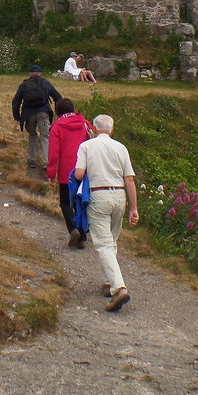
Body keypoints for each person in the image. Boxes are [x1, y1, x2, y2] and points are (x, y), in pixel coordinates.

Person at [74, 114, 139, 312]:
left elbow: (78, 174)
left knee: (103, 244)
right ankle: (107, 284)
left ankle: (119, 288)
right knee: (111, 241)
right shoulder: (121, 148)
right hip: (119, 195)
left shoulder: (86, 146)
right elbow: (129, 179)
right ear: (112, 129)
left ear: (93, 128)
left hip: (98, 195)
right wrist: (134, 208)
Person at [47, 97, 95, 248]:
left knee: (65, 203)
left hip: (66, 172)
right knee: (81, 203)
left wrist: (51, 173)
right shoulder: (85, 123)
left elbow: (53, 153)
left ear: (57, 111)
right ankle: (81, 237)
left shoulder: (57, 126)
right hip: (84, 170)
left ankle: (73, 229)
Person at [12, 64, 62, 170]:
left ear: (30, 74)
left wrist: (17, 117)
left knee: (32, 135)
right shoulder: (46, 83)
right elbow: (58, 97)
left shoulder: (24, 84)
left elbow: (16, 101)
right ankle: (46, 162)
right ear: (40, 73)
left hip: (28, 114)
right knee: (45, 136)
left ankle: (32, 161)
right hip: (43, 113)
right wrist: (59, 113)